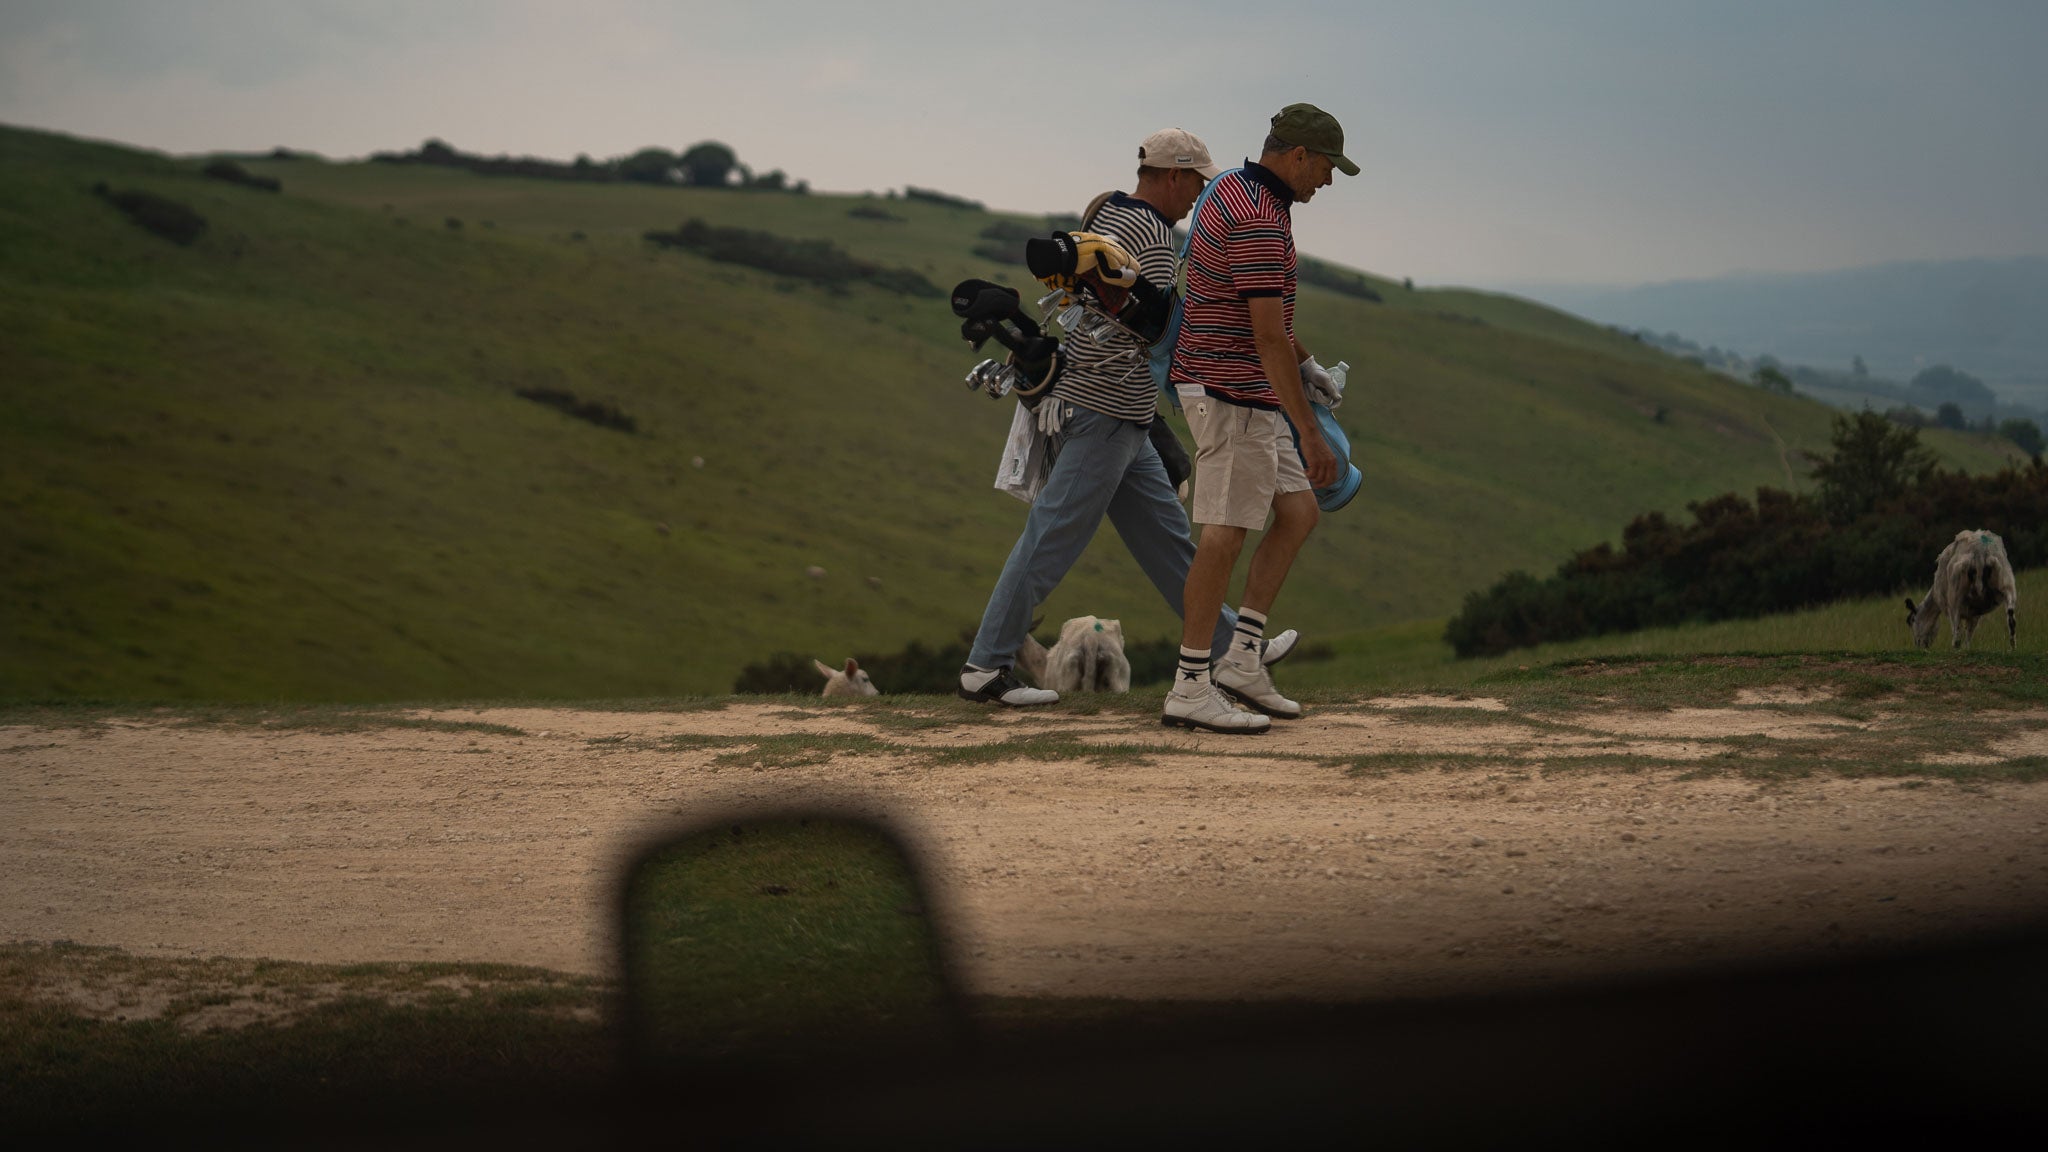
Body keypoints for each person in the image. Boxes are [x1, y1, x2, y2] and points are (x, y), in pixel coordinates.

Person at [958, 128, 1301, 707]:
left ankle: (1225, 647)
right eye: (1194, 181)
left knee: (1170, 544)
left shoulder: (1112, 216)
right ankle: (985, 667)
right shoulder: (1151, 231)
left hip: (1120, 410)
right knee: (1051, 538)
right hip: (1104, 409)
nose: (1197, 193)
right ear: (1172, 175)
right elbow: (1149, 328)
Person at [1164, 104, 1357, 734]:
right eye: (1326, 167)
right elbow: (1268, 337)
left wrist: (1310, 367)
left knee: (1298, 512)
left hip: (1244, 386)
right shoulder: (1258, 218)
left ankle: (1242, 660)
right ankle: (1191, 684)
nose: (1327, 182)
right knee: (1224, 531)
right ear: (1299, 156)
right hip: (1230, 393)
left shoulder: (1235, 190)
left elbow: (1271, 324)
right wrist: (1308, 428)